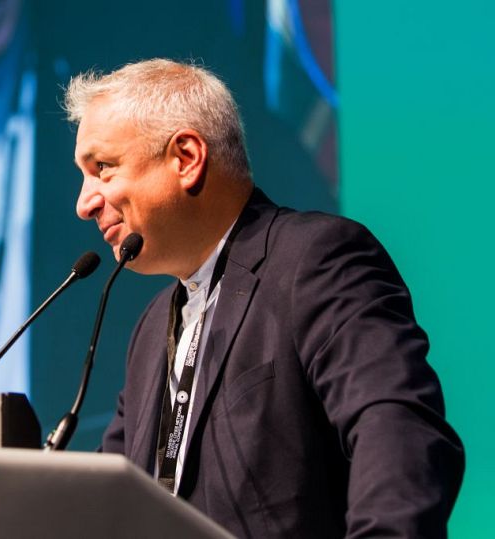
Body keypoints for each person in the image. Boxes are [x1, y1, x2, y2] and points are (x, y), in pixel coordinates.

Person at [67, 59, 464, 538]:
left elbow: (398, 431)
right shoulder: (151, 330)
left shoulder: (314, 261)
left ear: (186, 158)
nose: (84, 202)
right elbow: (108, 504)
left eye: (102, 169)